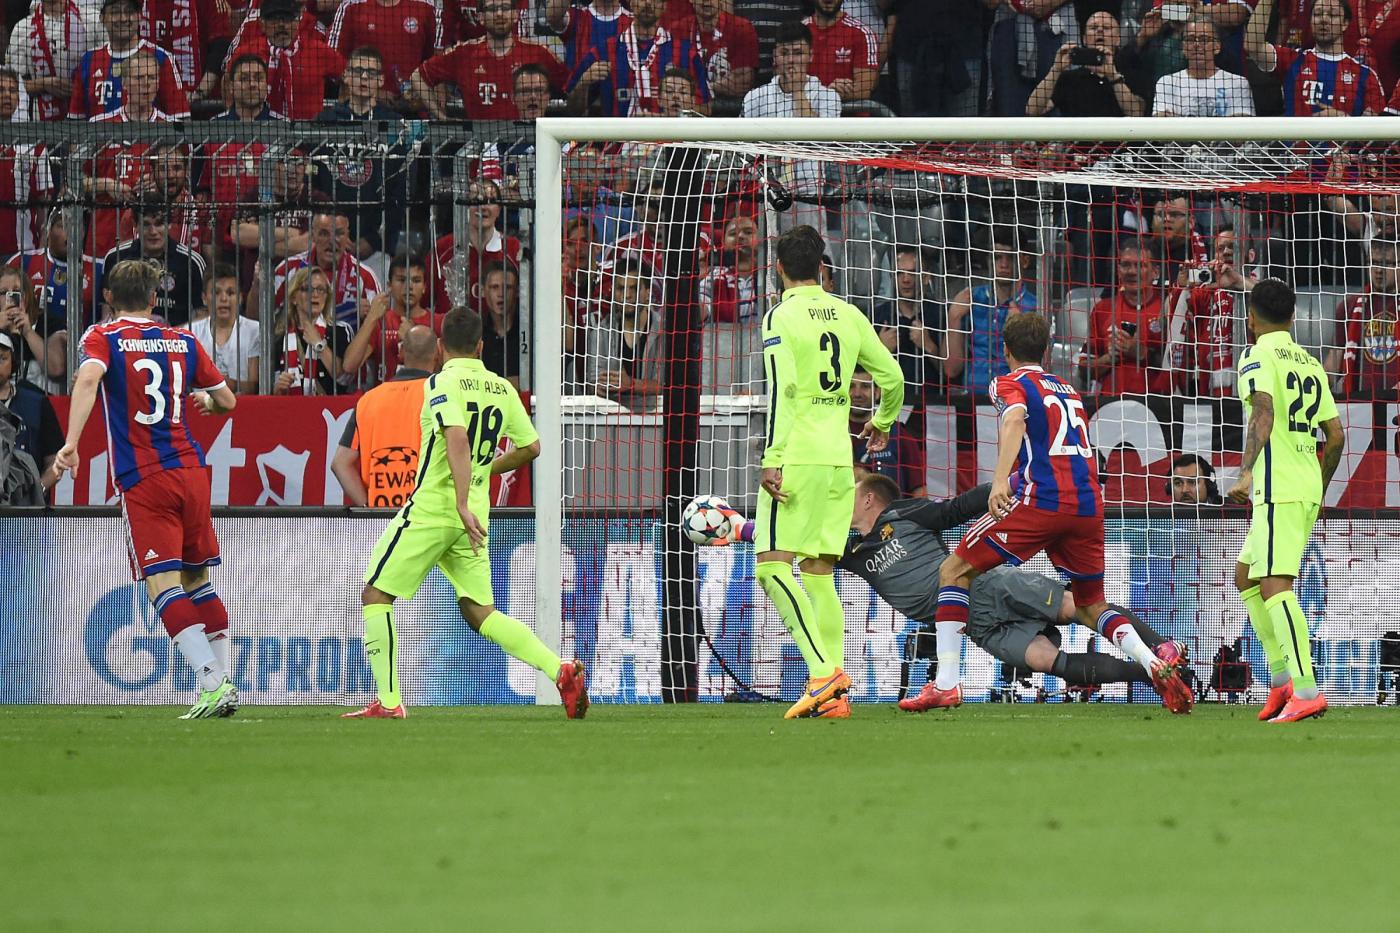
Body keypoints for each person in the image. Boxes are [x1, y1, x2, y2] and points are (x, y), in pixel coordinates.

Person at [935, 313, 1192, 712]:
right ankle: (1153, 661)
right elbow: (1054, 451)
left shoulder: (1009, 382)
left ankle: (946, 684)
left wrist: (999, 480)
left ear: (1005, 350)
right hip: (1088, 504)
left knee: (953, 571)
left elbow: (1014, 419)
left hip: (1044, 501)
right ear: (1045, 351)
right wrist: (1018, 476)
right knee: (1091, 606)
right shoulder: (1069, 390)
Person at [344, 306, 588, 719]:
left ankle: (389, 702)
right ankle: (559, 669)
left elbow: (455, 436)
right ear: (480, 346)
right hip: (475, 516)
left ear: (440, 348)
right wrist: (484, 472)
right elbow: (531, 447)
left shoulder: (440, 383)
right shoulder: (502, 389)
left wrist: (458, 499)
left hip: (435, 510)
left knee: (376, 594)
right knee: (480, 612)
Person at [55, 259, 239, 720]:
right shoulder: (184, 340)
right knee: (198, 581)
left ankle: (212, 683)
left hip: (146, 477)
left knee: (162, 585)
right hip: (192, 471)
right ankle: (223, 684)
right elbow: (227, 400)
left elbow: (88, 378)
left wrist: (71, 443)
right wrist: (208, 403)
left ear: (109, 298)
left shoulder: (103, 336)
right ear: (155, 299)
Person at [753, 224, 905, 720]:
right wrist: (882, 422)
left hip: (798, 458)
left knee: (772, 567)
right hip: (841, 462)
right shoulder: (849, 314)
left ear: (778, 269)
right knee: (818, 575)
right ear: (822, 268)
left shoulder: (780, 316)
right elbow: (893, 377)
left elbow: (784, 390)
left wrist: (773, 456)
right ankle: (835, 698)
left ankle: (823, 674)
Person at [1227, 278, 1344, 723]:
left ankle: (1307, 690)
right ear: (1293, 317)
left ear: (1250, 318)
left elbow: (1263, 409)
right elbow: (1336, 436)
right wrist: (1317, 485)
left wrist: (1245, 471)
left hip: (1279, 487)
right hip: (1303, 484)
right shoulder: (1311, 363)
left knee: (1275, 585)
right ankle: (1281, 680)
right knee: (1246, 577)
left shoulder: (1256, 354)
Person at [314, 47, 406, 261]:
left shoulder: (394, 125)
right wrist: (331, 233)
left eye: (371, 73)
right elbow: (315, 180)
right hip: (328, 240)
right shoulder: (326, 121)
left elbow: (401, 189)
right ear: (346, 76)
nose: (364, 77)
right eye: (357, 71)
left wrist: (375, 240)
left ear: (381, 80)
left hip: (377, 247)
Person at [332, 324, 438, 508]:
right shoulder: (440, 397)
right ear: (437, 353)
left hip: (381, 517)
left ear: (401, 353)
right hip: (427, 515)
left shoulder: (368, 400)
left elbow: (340, 463)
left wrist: (368, 508)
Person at [411, 0, 566, 120]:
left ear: (516, 15)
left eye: (505, 8)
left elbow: (570, 88)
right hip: (482, 145)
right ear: (480, 17)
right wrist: (442, 118)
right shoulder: (464, 54)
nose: (499, 14)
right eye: (492, 9)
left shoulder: (538, 53)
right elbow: (418, 76)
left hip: (529, 144)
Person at [567, 0, 709, 117]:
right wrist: (583, 83)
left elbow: (706, 109)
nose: (648, 3)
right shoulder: (603, 52)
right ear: (631, 3)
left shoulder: (686, 53)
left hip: (669, 142)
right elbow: (573, 111)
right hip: (617, 142)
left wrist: (668, 117)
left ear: (664, 6)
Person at [1244, 0, 1384, 117]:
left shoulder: (1366, 75)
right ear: (1310, 21)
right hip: (1295, 142)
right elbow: (1253, 46)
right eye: (1317, 14)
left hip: (1343, 143)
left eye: (1332, 15)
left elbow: (1377, 131)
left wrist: (1343, 120)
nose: (1324, 19)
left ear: (1345, 24)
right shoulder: (1292, 60)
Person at [944, 228, 1034, 394]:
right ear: (989, 260)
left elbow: (1036, 373)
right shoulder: (970, 300)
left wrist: (1017, 334)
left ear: (1025, 261)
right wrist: (953, 317)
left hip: (1016, 399)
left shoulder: (1035, 308)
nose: (1004, 264)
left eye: (1010, 257)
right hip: (972, 398)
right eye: (997, 257)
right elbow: (951, 369)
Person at [67, 0, 190, 120]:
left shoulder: (161, 58)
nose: (123, 18)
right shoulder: (88, 60)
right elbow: (76, 121)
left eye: (129, 12)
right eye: (115, 12)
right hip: (98, 134)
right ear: (102, 18)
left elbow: (181, 120)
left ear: (139, 16)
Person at [227, 0, 346, 120]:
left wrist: (340, 111)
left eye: (287, 19)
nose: (281, 25)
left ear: (297, 22)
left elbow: (348, 79)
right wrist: (233, 121)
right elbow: (227, 81)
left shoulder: (318, 51)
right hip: (261, 129)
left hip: (308, 129)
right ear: (262, 24)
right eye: (274, 19)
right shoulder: (247, 52)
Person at [99, 204, 207, 327]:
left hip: (175, 336)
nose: (153, 232)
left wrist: (168, 334)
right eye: (146, 225)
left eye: (159, 224)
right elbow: (107, 313)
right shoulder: (116, 257)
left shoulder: (191, 262)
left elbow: (203, 316)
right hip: (126, 335)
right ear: (135, 225)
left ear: (169, 224)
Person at [1025, 11, 1149, 117]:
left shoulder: (1131, 70)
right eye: (1093, 28)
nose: (1099, 30)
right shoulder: (1069, 78)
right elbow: (1032, 111)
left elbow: (1136, 113)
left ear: (1118, 40)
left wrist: (1113, 76)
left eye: (1106, 28)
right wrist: (1056, 70)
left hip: (1120, 138)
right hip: (1079, 139)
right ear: (1084, 39)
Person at [342, 253, 442, 383]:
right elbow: (349, 366)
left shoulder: (438, 323)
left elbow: (444, 373)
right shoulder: (380, 321)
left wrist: (412, 339)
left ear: (424, 287)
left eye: (416, 280)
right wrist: (371, 317)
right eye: (401, 280)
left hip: (422, 394)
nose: (409, 286)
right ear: (389, 286)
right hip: (386, 395)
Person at [1083, 238, 1166, 395]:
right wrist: (1109, 358)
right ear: (1118, 270)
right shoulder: (1103, 309)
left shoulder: (1168, 308)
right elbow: (1083, 370)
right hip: (1110, 402)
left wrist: (1142, 353)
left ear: (1156, 272)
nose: (1132, 272)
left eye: (1140, 265)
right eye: (1126, 265)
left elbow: (1183, 366)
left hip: (1157, 403)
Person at [271, 212, 381, 326]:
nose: (332, 241)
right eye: (324, 233)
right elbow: (269, 322)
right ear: (313, 236)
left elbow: (380, 329)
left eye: (339, 233)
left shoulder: (365, 277)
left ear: (347, 236)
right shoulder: (287, 270)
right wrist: (345, 312)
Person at [1327, 236, 1400, 398]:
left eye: (1386, 263)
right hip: (1360, 402)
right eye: (1373, 262)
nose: (1378, 270)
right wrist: (1318, 384)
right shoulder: (1349, 306)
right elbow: (1335, 359)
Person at [328, 0, 441, 103]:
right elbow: (332, 64)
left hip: (412, 108)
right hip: (362, 108)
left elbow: (435, 63)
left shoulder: (426, 7)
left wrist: (423, 95)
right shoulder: (350, 6)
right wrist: (372, 93)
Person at [273, 265, 354, 395]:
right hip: (293, 406)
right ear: (293, 298)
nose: (315, 294)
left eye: (321, 289)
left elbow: (344, 379)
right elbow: (272, 386)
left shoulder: (340, 331)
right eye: (308, 289)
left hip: (330, 407)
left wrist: (318, 344)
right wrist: (278, 388)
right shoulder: (280, 337)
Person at [1152, 17, 1254, 116]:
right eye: (1190, 39)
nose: (1197, 45)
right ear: (1183, 47)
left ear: (1217, 47)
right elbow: (1162, 122)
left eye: (1204, 39)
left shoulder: (1237, 83)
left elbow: (1241, 123)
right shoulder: (1167, 83)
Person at [0, 332, 62, 488]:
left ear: (14, 362)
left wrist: (36, 492)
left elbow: (55, 461)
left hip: (27, 497)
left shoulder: (37, 404)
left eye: (2, 358)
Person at [741, 21, 840, 119]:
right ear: (775, 57)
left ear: (810, 56)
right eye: (784, 53)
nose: (790, 60)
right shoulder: (755, 97)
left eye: (798, 53)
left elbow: (815, 129)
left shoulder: (828, 97)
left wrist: (798, 91)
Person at [7, 0, 87, 120]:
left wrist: (79, 87)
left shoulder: (90, 20)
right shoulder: (22, 28)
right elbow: (12, 84)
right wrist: (43, 84)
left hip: (86, 114)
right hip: (42, 118)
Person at [848, 371, 924, 497]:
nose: (857, 394)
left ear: (877, 393)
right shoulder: (832, 433)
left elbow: (919, 490)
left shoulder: (898, 433)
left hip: (893, 509)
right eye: (851, 386)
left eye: (865, 386)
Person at [190, 264, 259, 394]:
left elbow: (255, 386)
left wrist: (230, 384)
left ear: (240, 298)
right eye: (216, 293)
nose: (223, 299)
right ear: (204, 298)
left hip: (244, 404)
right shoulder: (192, 333)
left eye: (230, 293)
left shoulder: (254, 331)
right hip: (199, 404)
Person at [672, 0, 758, 103]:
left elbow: (742, 83)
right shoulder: (678, 29)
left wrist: (697, 88)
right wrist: (719, 86)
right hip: (690, 106)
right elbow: (672, 81)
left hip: (731, 108)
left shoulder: (741, 27)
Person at [802, 0, 878, 101]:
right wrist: (828, 93)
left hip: (847, 110)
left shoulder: (862, 33)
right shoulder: (800, 32)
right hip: (808, 109)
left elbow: (864, 90)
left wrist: (827, 95)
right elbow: (788, 86)